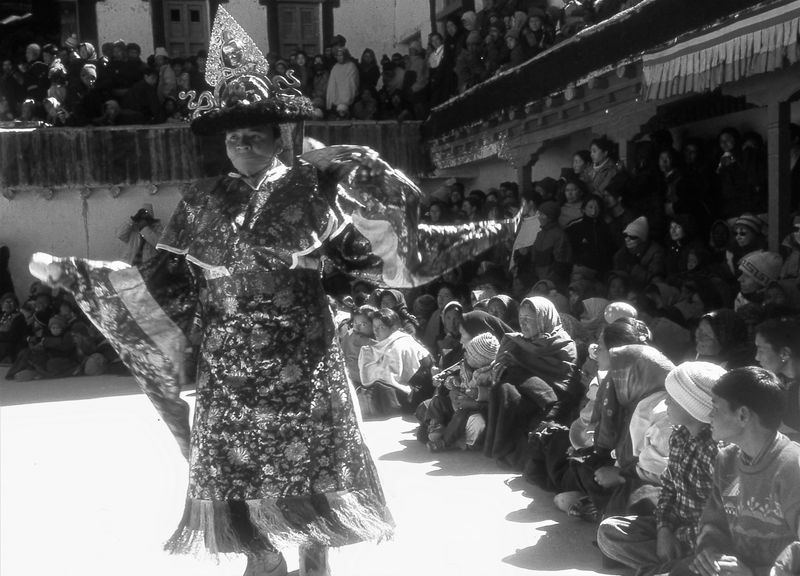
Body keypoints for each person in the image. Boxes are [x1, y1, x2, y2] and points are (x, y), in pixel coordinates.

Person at [28, 8, 517, 575]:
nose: (241, 144)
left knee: (312, 464)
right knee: (238, 471)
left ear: (278, 137)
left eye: (254, 136)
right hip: (228, 367)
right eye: (232, 137)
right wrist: (74, 273)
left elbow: (382, 250)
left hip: (301, 358)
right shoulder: (202, 198)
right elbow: (157, 284)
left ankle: (314, 554)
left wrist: (353, 160)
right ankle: (261, 557)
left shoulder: (315, 189)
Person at [596, 361, 725, 575]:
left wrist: (678, 536)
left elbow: (723, 521)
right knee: (609, 532)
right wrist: (664, 530)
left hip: (704, 540)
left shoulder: (718, 452)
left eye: (672, 399)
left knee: (712, 560)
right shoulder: (679, 436)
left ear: (691, 405)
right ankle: (674, 567)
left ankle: (672, 568)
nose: (665, 402)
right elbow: (669, 488)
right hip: (675, 529)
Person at [671, 367, 800, 576]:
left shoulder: (792, 467)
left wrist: (755, 573)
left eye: (716, 408)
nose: (709, 415)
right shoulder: (727, 460)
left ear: (742, 415)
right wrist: (711, 553)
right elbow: (714, 523)